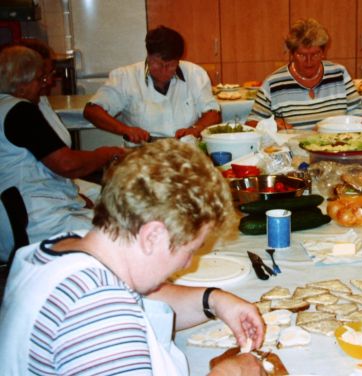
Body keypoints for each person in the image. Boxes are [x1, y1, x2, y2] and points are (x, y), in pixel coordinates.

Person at [0, 139, 266, 375]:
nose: (188, 263)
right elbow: (106, 313)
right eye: (189, 251)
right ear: (152, 236)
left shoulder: (74, 247)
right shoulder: (93, 311)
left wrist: (215, 300)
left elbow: (148, 298)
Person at [0, 46, 125, 262]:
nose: (47, 83)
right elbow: (66, 164)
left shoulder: (6, 106)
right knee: (119, 237)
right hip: (35, 222)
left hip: (22, 217)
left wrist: (75, 196)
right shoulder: (20, 111)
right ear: (21, 82)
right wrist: (105, 154)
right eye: (40, 79)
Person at [83, 26, 221, 143]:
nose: (163, 70)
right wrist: (126, 130)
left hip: (185, 151)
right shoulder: (125, 76)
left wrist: (196, 129)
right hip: (141, 154)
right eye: (158, 64)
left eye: (170, 65)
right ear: (148, 56)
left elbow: (213, 113)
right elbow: (92, 111)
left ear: (179, 61)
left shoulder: (194, 74)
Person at [246, 18, 362, 130]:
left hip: (337, 147)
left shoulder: (339, 74)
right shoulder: (274, 84)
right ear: (292, 54)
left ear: (323, 52)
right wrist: (271, 126)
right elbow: (251, 124)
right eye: (302, 55)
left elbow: (358, 115)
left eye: (315, 54)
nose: (309, 61)